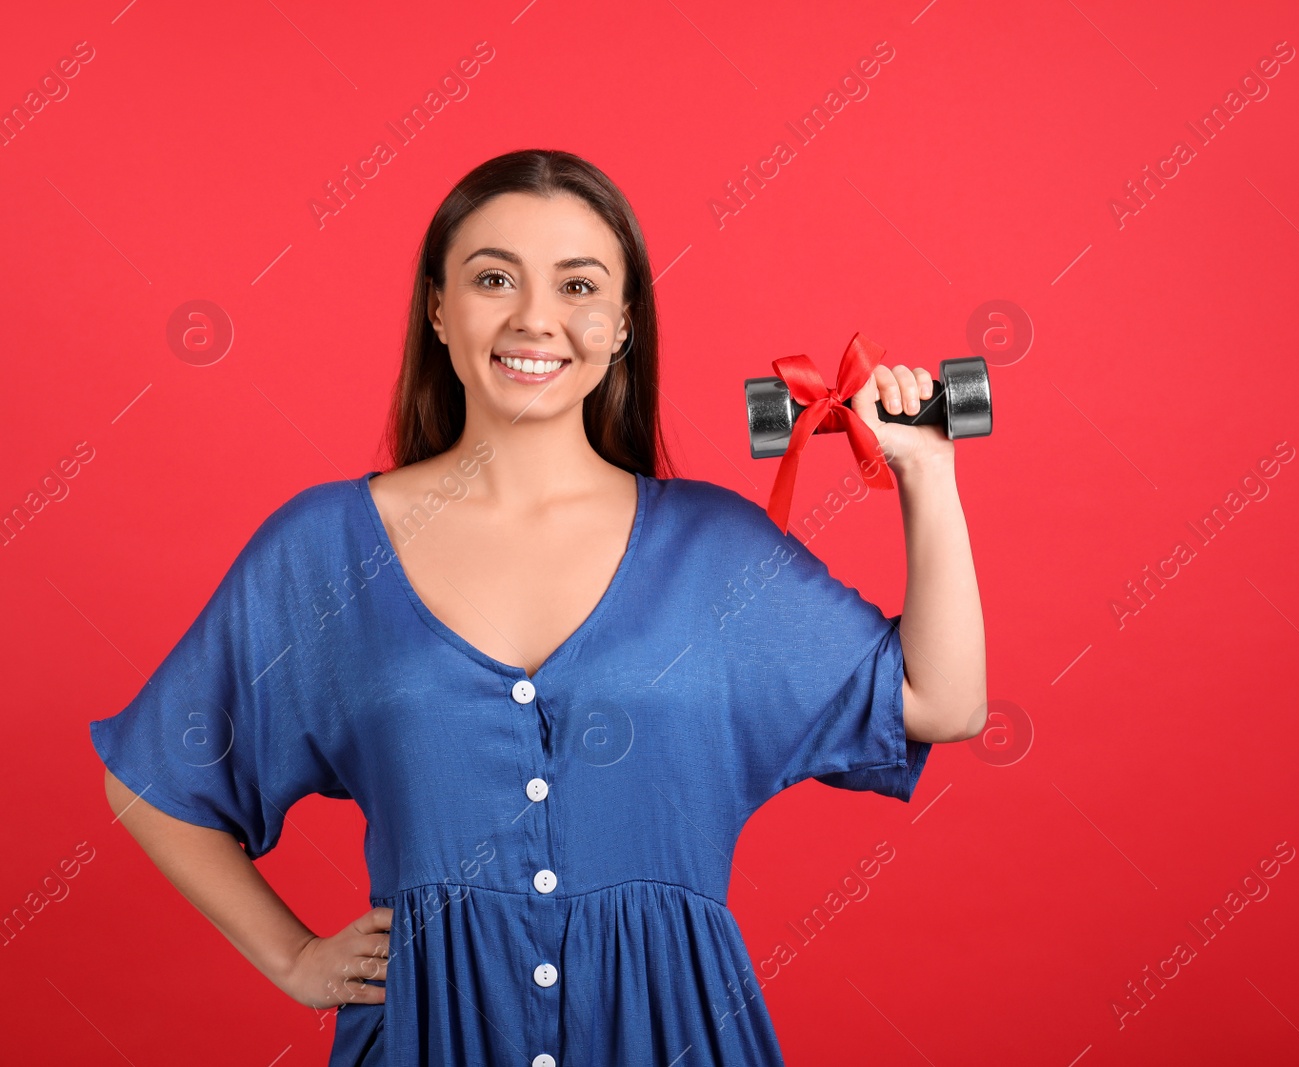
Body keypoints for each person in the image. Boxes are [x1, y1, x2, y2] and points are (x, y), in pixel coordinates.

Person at [90, 148, 986, 1066]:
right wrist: (291, 958)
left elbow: (943, 702)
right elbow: (155, 776)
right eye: (492, 278)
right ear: (438, 308)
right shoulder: (326, 548)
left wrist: (926, 471)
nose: (535, 319)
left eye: (579, 285)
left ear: (623, 322)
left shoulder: (715, 551)